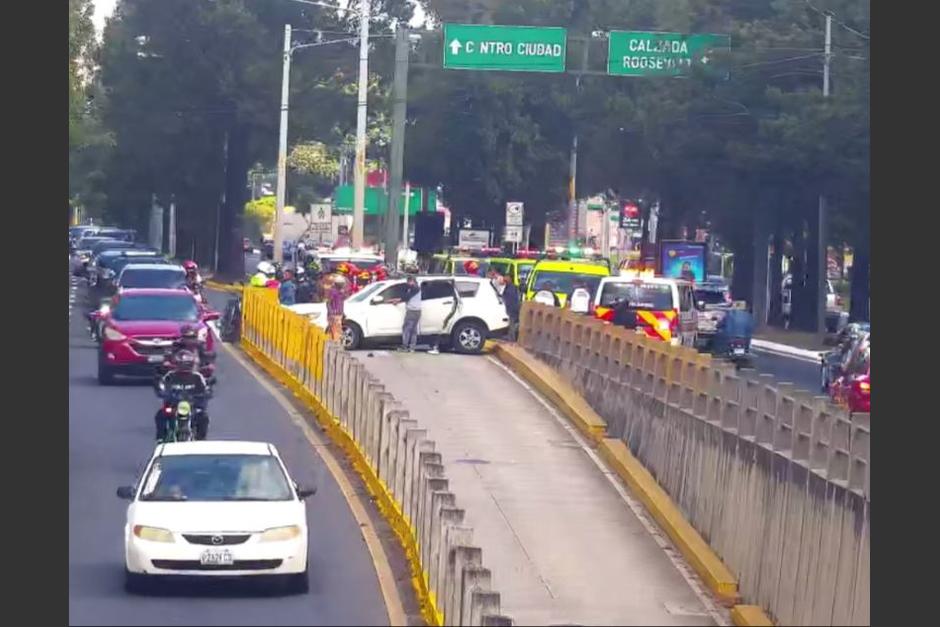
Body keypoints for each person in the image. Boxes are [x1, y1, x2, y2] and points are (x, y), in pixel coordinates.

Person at [154, 349, 211, 441]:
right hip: (173, 407)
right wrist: (162, 392)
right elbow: (162, 386)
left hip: (193, 407)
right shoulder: (170, 376)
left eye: (187, 364)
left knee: (203, 417)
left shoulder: (197, 377)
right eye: (182, 364)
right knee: (160, 415)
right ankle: (161, 438)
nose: (184, 367)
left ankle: (201, 439)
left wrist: (206, 393)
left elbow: (205, 388)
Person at [397, 276, 422, 352]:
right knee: (413, 330)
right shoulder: (416, 288)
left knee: (406, 329)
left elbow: (406, 297)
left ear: (412, 281)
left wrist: (397, 300)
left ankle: (405, 346)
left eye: (409, 282)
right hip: (417, 311)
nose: (408, 283)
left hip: (412, 311)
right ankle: (412, 347)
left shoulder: (415, 288)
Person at [500, 272, 521, 341]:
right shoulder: (507, 286)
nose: (505, 278)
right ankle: (510, 336)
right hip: (510, 307)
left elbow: (511, 298)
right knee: (510, 323)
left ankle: (512, 338)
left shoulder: (511, 287)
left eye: (506, 277)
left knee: (512, 323)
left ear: (510, 278)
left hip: (512, 308)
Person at [326, 275, 347, 343]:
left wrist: (343, 313)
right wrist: (331, 313)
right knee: (335, 331)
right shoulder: (333, 292)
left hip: (338, 314)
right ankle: (335, 344)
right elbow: (328, 303)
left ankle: (334, 343)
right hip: (334, 314)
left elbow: (341, 303)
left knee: (336, 331)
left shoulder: (341, 292)